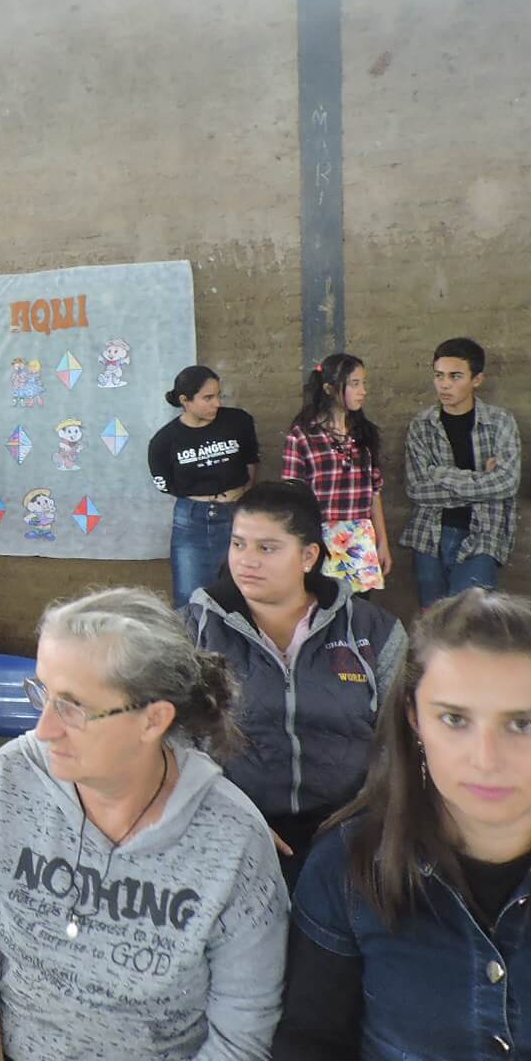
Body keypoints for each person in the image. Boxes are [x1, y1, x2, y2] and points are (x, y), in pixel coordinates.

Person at [0, 587, 288, 1061]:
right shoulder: (11, 777)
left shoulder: (233, 841)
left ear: (153, 720)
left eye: (73, 707)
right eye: (43, 693)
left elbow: (240, 1037)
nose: (44, 730)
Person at [274, 589, 531, 1060]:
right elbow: (311, 1044)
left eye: (522, 724)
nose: (486, 760)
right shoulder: (347, 867)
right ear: (414, 719)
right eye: (454, 719)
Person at [182, 480, 408, 885]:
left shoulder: (373, 631)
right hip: (230, 827)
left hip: (353, 833)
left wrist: (370, 822)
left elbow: (402, 738)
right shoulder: (192, 631)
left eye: (267, 548)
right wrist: (222, 813)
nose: (246, 561)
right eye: (238, 544)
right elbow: (172, 741)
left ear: (308, 556)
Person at [400, 337, 522, 608]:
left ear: (477, 380)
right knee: (433, 620)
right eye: (439, 375)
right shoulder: (422, 425)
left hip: (483, 534)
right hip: (430, 535)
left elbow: (507, 483)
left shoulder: (499, 422)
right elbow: (417, 489)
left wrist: (440, 473)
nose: (444, 384)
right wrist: (483, 480)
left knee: (470, 619)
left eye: (455, 376)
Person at [148, 365, 261, 606]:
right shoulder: (164, 441)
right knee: (189, 597)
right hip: (192, 519)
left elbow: (251, 463)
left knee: (245, 593)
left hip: (237, 512)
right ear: (185, 400)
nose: (216, 404)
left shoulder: (238, 421)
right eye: (208, 398)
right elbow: (164, 483)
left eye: (219, 396)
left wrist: (243, 499)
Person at [282, 353, 391, 594]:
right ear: (330, 389)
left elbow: (375, 492)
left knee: (359, 609)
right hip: (319, 538)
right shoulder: (303, 436)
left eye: (363, 383)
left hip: (360, 537)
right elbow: (292, 498)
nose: (362, 391)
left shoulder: (365, 434)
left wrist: (382, 543)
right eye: (354, 384)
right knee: (322, 605)